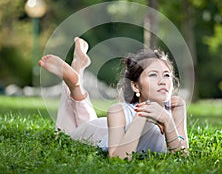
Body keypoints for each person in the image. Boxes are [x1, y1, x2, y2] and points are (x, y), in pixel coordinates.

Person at [38, 37, 189, 159]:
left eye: (167, 75)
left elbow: (182, 155)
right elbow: (119, 159)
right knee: (62, 136)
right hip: (96, 132)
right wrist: (142, 117)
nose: (162, 80)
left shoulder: (176, 107)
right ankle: (74, 83)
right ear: (136, 86)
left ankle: (77, 73)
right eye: (153, 75)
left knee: (75, 119)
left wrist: (167, 121)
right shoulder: (118, 111)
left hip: (110, 126)